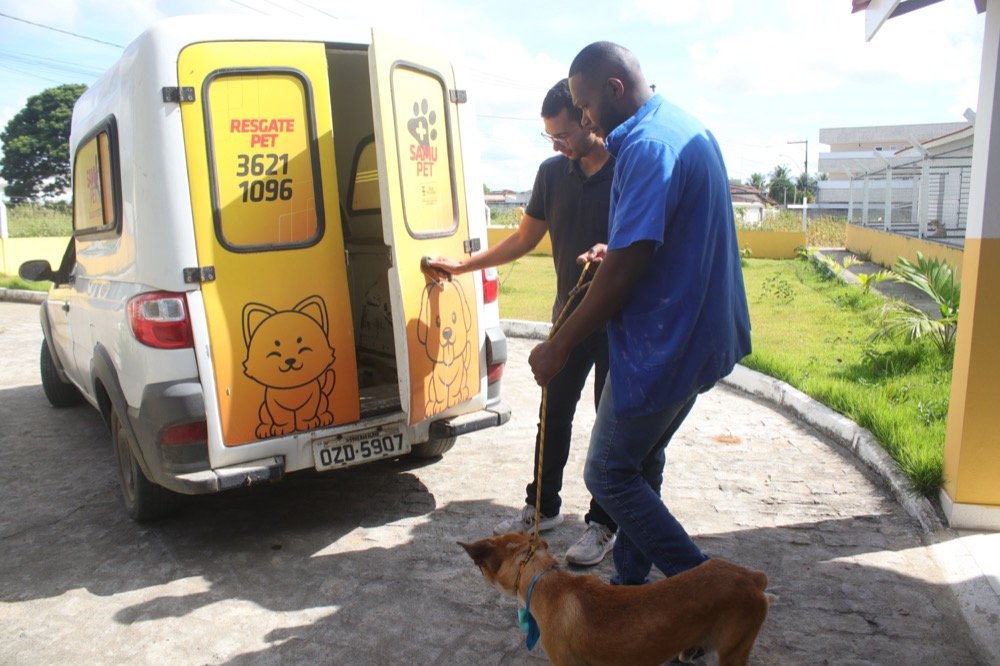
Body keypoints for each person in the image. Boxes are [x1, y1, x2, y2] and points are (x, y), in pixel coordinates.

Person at [528, 42, 751, 585]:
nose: (582, 118)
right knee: (639, 464)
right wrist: (616, 250)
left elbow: (627, 270)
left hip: (668, 344)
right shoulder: (676, 125)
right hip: (704, 335)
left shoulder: (648, 146)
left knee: (606, 473)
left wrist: (559, 345)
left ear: (614, 88)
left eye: (584, 105)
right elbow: (657, 238)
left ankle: (708, 593)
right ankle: (630, 589)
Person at [424, 79, 618, 567]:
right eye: (550, 138)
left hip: (621, 326)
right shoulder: (552, 173)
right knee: (553, 417)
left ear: (589, 119)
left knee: (610, 426)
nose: (559, 145)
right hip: (567, 322)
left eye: (565, 135)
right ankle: (542, 507)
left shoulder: (626, 169)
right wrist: (462, 265)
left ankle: (604, 523)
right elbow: (522, 240)